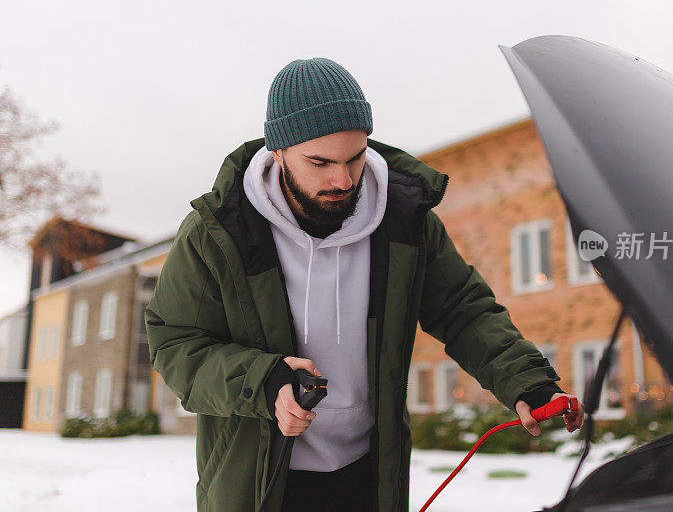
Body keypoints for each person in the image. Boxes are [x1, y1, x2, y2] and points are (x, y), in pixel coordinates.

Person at [145, 57, 584, 512]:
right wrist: (263, 381)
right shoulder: (218, 233)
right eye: (320, 163)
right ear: (278, 153)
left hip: (370, 478)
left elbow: (464, 311)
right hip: (255, 481)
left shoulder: (404, 223)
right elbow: (175, 343)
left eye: (355, 158)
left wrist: (528, 383)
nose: (342, 179)